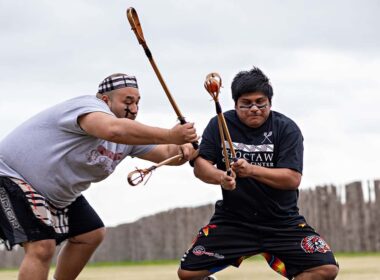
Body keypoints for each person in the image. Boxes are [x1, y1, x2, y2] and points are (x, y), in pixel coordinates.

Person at [0, 73, 198, 280]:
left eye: (137, 102)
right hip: (10, 177)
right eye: (127, 101)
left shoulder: (129, 136)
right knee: (42, 246)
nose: (134, 108)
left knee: (90, 234)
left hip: (57, 196)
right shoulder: (87, 107)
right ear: (105, 100)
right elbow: (111, 130)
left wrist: (184, 148)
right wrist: (169, 134)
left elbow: (167, 154)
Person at [177, 67, 339, 280]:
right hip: (234, 220)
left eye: (260, 102)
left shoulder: (286, 128)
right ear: (235, 104)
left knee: (326, 268)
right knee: (188, 274)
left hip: (282, 221)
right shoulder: (219, 124)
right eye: (246, 103)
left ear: (270, 103)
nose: (254, 108)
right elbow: (200, 165)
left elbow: (292, 179)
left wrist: (251, 170)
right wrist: (220, 178)